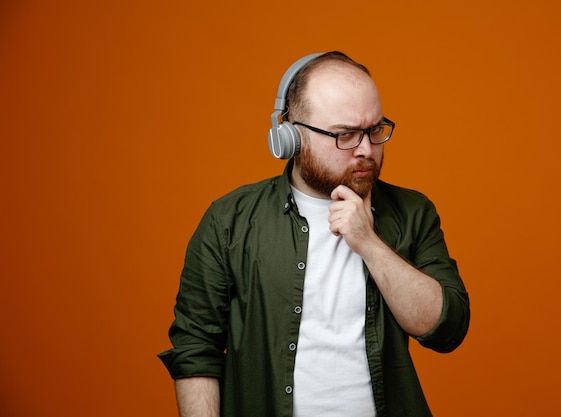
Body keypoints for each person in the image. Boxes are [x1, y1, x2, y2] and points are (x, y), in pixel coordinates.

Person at [158, 51, 470, 417]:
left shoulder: (412, 212)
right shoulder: (230, 220)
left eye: (375, 130)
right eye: (345, 135)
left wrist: (368, 242)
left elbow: (445, 328)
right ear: (290, 136)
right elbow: (196, 348)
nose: (366, 149)